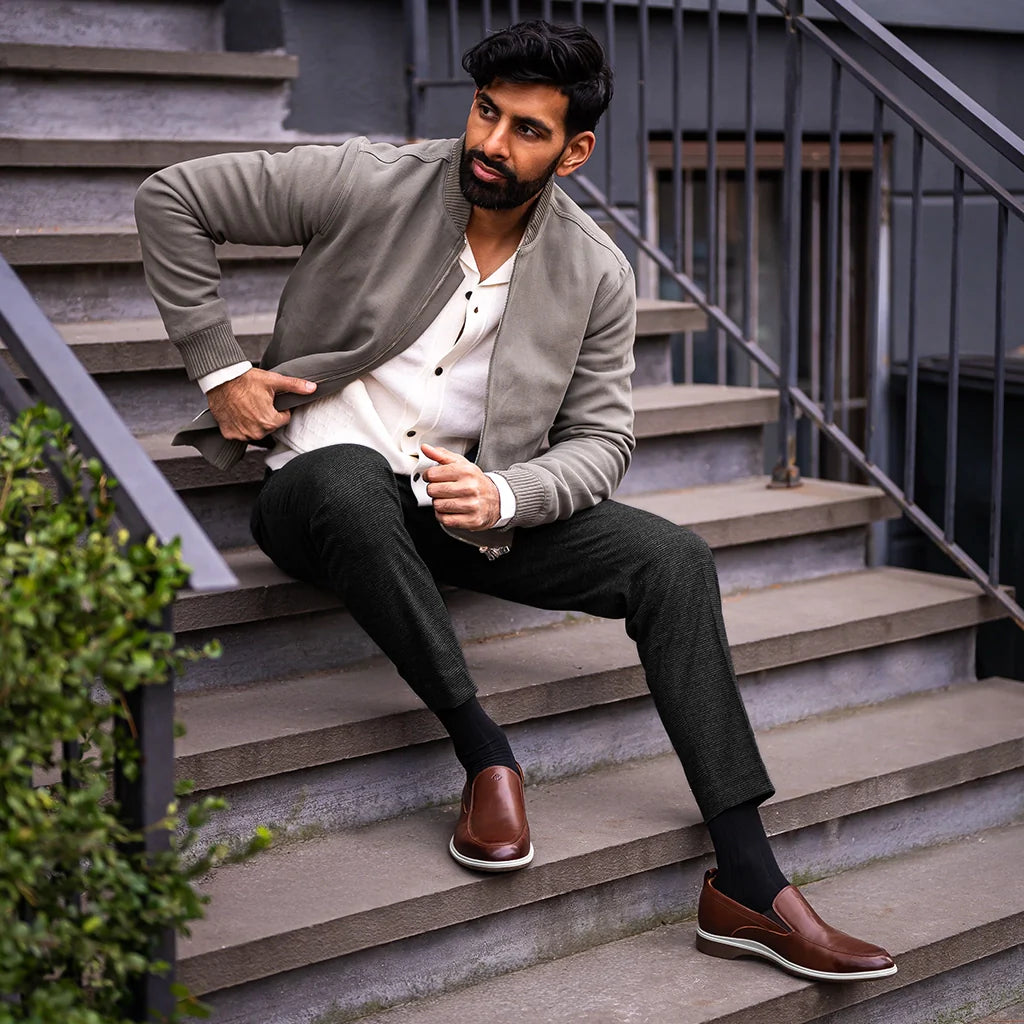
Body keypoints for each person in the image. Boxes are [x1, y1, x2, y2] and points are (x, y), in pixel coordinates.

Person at [134, 20, 895, 984]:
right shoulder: (372, 178)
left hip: (461, 519)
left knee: (673, 559)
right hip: (315, 496)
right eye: (486, 112)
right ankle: (485, 753)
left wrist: (505, 492)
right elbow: (173, 198)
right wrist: (222, 369)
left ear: (574, 150)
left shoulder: (596, 272)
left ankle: (748, 882)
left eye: (527, 130)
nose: (493, 143)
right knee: (347, 480)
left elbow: (605, 441)